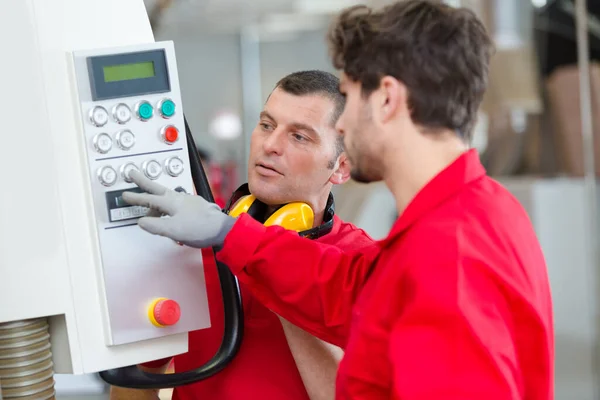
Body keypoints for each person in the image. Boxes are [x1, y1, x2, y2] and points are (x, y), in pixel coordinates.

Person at [123, 1, 554, 398]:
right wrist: (227, 231)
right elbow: (339, 285)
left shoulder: (448, 257)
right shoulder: (472, 213)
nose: (344, 124)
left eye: (348, 98)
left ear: (386, 99)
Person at [110, 70, 374, 400]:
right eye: (266, 125)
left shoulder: (363, 264)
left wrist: (276, 259)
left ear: (342, 167)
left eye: (299, 137)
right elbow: (138, 380)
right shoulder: (191, 242)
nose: (271, 145)